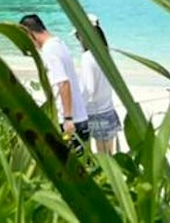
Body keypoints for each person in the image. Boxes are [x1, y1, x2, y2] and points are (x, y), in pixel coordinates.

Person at [19, 13, 89, 152]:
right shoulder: (58, 43)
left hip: (69, 120)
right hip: (80, 116)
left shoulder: (49, 50)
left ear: (29, 33)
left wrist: (68, 118)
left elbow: (63, 83)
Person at [76, 17, 121, 154]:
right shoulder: (105, 52)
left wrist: (77, 108)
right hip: (109, 109)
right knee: (110, 156)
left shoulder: (87, 57)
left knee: (102, 159)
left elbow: (88, 88)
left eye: (79, 36)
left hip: (95, 112)